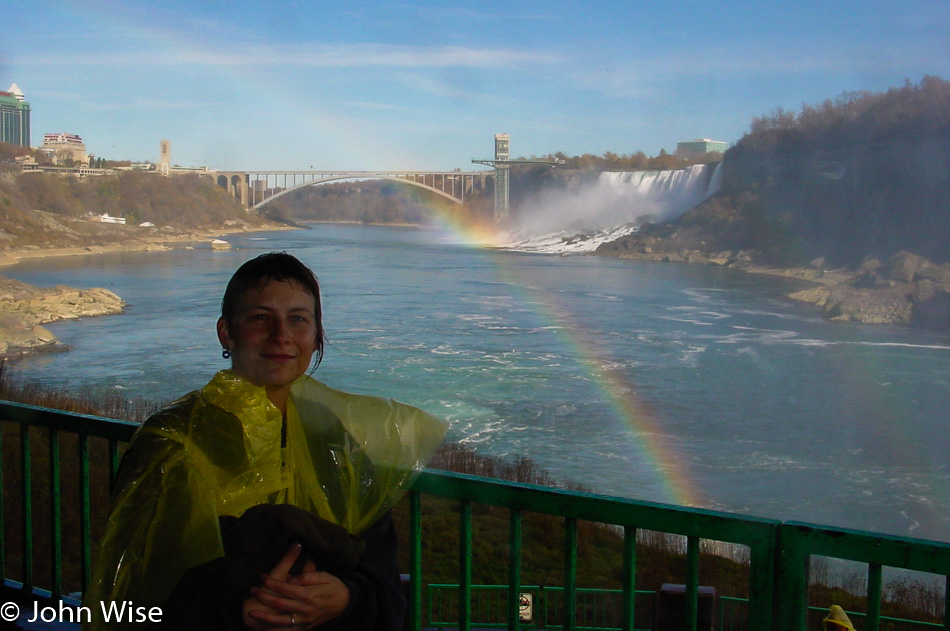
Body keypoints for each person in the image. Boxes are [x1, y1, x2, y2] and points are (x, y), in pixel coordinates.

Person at [84, 252, 447, 631]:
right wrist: (236, 616)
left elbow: (381, 572)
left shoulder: (332, 437)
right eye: (260, 317)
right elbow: (128, 594)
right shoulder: (171, 441)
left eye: (298, 319)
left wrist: (345, 596)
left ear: (316, 335)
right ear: (227, 332)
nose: (281, 336)